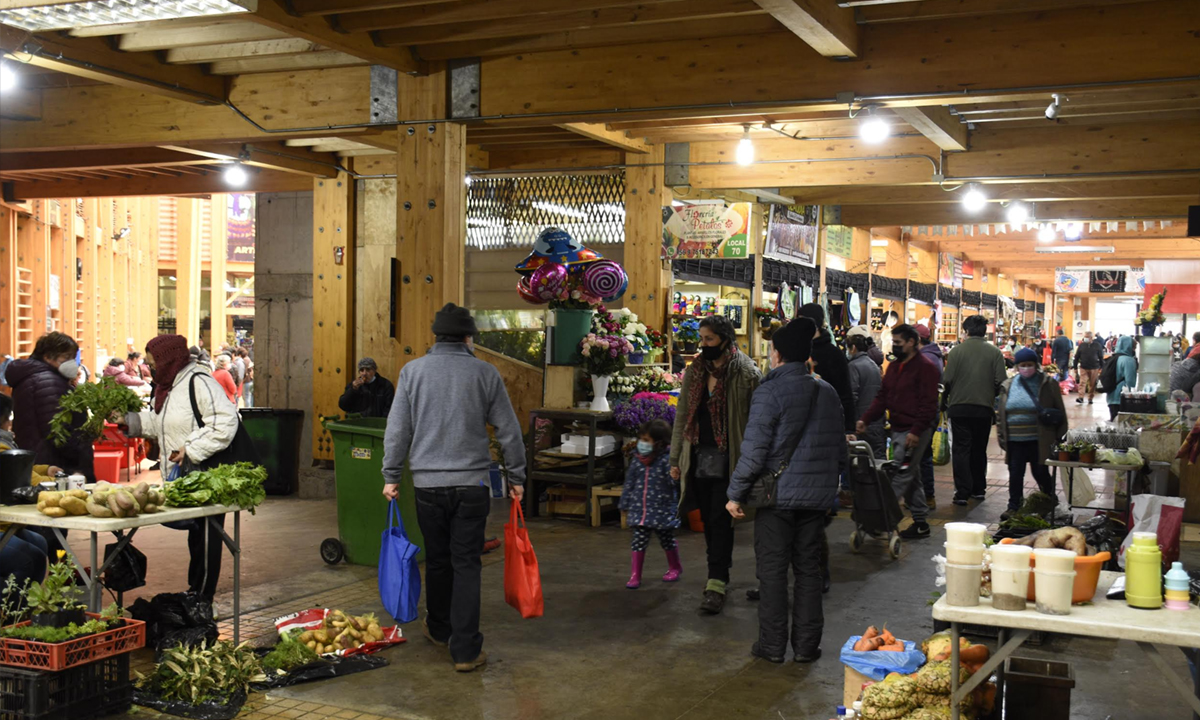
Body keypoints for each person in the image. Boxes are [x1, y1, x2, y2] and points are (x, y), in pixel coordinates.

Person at [381, 303, 526, 673]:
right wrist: (516, 477)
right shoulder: (485, 372)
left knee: (438, 559)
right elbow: (509, 430)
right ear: (468, 337)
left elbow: (398, 430)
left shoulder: (413, 372)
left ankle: (439, 629)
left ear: (436, 336)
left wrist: (391, 475)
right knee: (466, 564)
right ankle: (465, 650)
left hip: (427, 486)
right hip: (472, 486)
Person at [725, 317, 846, 665]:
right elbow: (839, 450)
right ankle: (806, 647)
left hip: (777, 497)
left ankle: (772, 645)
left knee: (773, 572)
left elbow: (754, 451)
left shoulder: (770, 391)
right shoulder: (826, 391)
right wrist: (829, 488)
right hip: (815, 499)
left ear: (776, 354)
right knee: (808, 571)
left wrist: (735, 493)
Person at [120, 334, 239, 601]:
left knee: (206, 538)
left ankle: (202, 598)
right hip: (185, 478)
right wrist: (129, 421)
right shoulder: (170, 387)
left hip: (206, 476)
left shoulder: (199, 382)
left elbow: (225, 422)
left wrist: (191, 449)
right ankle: (195, 593)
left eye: (154, 364)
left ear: (169, 361)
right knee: (196, 537)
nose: (151, 369)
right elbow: (161, 424)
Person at [670, 315, 760, 615]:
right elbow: (683, 414)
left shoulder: (746, 372)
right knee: (708, 519)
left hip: (731, 458)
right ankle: (718, 571)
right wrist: (675, 458)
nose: (703, 344)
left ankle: (717, 582)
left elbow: (756, 419)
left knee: (721, 519)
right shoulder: (696, 370)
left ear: (725, 339)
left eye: (709, 339)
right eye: (702, 338)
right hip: (698, 455)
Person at [857, 324, 940, 539]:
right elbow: (882, 397)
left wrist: (916, 431)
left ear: (911, 342)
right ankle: (921, 523)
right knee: (911, 475)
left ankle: (880, 519)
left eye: (898, 343)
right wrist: (866, 419)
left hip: (915, 430)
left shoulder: (926, 368)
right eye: (893, 342)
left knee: (901, 474)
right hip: (898, 428)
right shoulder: (894, 367)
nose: (894, 346)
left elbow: (929, 404)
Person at [5, 333, 94, 482]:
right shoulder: (48, 381)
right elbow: (57, 432)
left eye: (73, 358)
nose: (71, 363)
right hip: (55, 462)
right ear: (47, 357)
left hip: (38, 456)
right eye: (66, 357)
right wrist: (79, 455)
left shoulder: (34, 376)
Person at [942, 315, 1007, 506]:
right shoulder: (995, 352)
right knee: (979, 449)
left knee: (961, 450)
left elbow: (947, 380)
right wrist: (988, 394)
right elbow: (1001, 381)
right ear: (984, 331)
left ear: (966, 330)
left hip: (959, 408)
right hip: (983, 409)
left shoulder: (956, 352)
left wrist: (945, 401)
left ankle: (962, 492)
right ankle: (978, 489)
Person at [997, 349, 1069, 520]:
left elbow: (1060, 411)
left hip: (1039, 440)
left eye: (1029, 365)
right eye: (1022, 365)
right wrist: (1001, 437)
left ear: (1036, 365)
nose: (1026, 368)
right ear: (1017, 366)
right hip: (1015, 440)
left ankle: (1051, 502)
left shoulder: (1047, 384)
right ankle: (1014, 506)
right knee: (1015, 474)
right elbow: (1001, 413)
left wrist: (1059, 437)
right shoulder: (1008, 385)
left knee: (1040, 473)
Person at [620, 419, 682, 589]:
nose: (642, 443)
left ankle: (675, 567)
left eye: (646, 440)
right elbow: (629, 483)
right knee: (638, 541)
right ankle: (635, 575)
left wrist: (675, 477)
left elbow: (674, 485)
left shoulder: (666, 461)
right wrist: (624, 503)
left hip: (661, 512)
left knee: (667, 540)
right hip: (640, 512)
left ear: (659, 443)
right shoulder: (636, 461)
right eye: (641, 439)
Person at [796, 304, 858, 438]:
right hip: (798, 424)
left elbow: (845, 393)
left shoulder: (833, 354)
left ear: (815, 324)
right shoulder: (795, 352)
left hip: (826, 424)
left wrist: (849, 429)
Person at [915, 324, 943, 509]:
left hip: (923, 412)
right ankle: (922, 496)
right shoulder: (934, 356)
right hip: (929, 411)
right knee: (921, 455)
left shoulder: (926, 359)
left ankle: (927, 496)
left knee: (923, 456)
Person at [846, 334, 884, 459]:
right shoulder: (874, 365)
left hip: (860, 421)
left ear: (853, 348)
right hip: (876, 420)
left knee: (859, 459)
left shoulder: (853, 366)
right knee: (877, 458)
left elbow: (852, 395)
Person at [1105, 335, 1139, 421]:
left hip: (1111, 396)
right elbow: (1130, 381)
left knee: (1114, 420)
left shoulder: (1113, 358)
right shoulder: (1129, 360)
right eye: (1134, 347)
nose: (1134, 349)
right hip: (1122, 398)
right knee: (1122, 424)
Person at [1072, 331, 1105, 405]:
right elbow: (1077, 357)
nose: (1085, 338)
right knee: (1082, 383)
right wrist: (1075, 367)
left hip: (1094, 368)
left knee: (1092, 384)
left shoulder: (1097, 345)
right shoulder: (1082, 345)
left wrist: (1102, 367)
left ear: (1091, 338)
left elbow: (1101, 357)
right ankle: (1081, 397)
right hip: (1083, 367)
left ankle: (1090, 398)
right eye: (1085, 337)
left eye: (1087, 337)